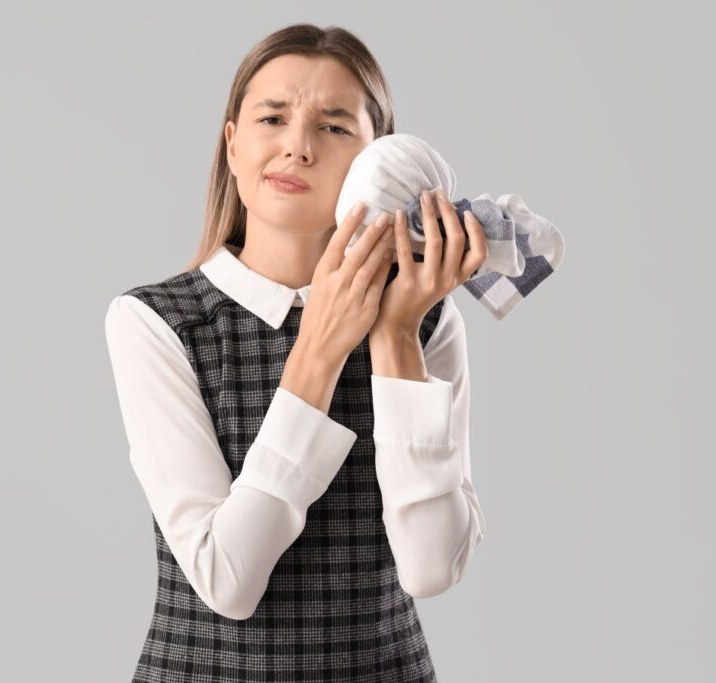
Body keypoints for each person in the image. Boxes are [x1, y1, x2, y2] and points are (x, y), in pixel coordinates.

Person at [104, 23, 488, 683]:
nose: (298, 147)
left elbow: (430, 567)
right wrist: (319, 348)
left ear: (379, 158)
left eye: (335, 126)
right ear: (232, 144)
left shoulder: (426, 320)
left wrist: (394, 337)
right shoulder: (156, 323)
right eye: (273, 118)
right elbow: (227, 579)